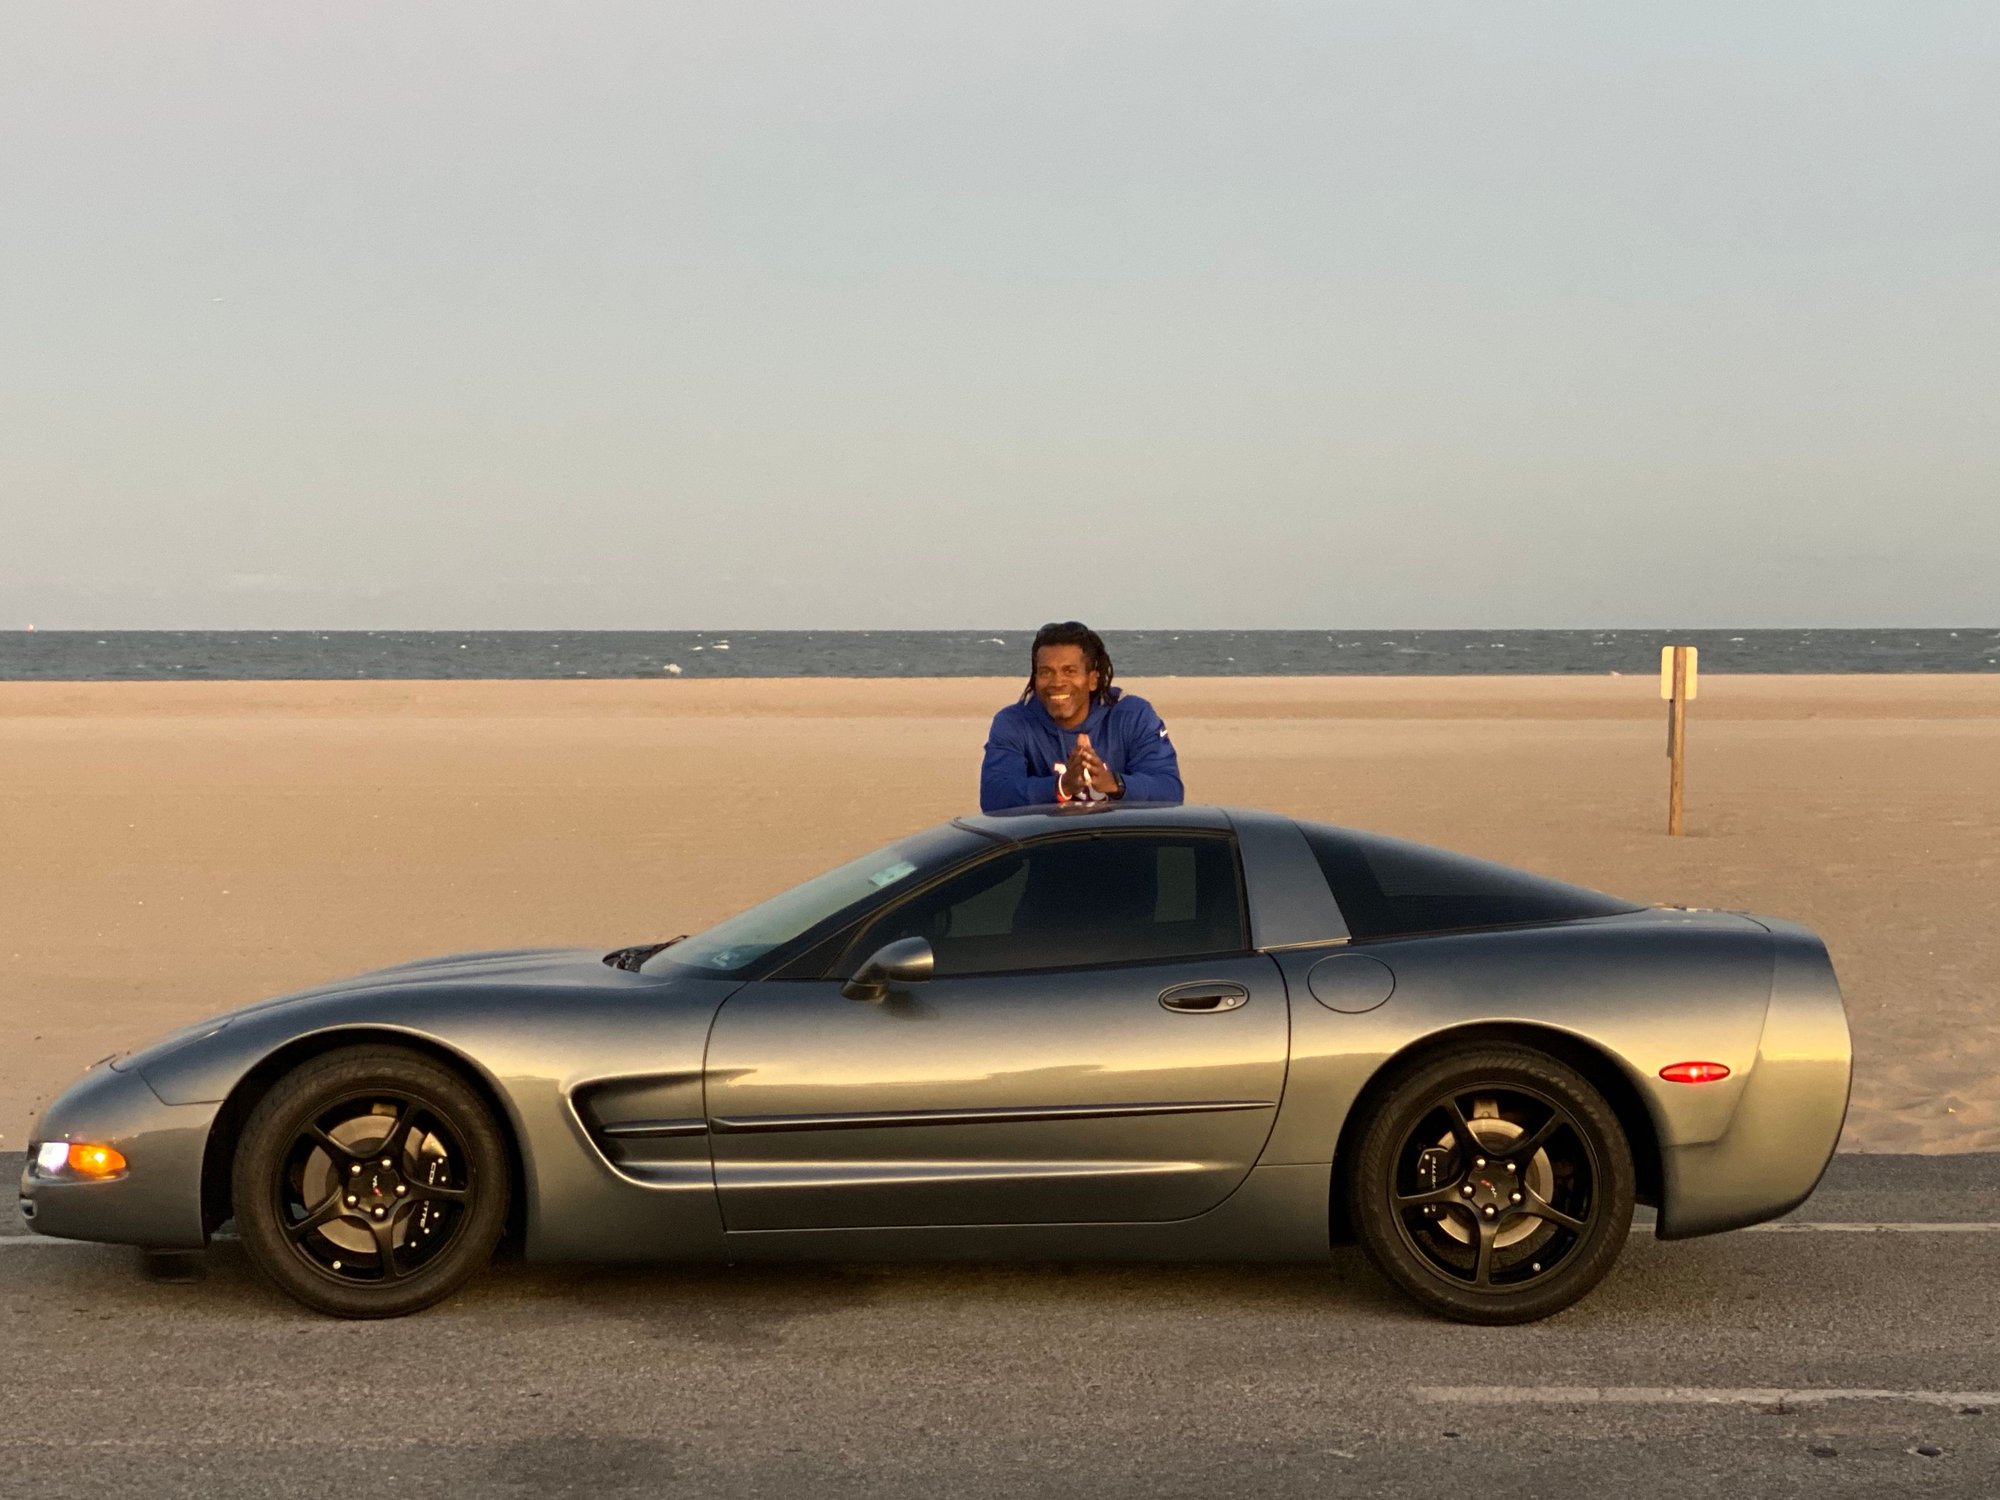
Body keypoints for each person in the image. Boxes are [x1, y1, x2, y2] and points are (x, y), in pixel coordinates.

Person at [979, 621, 1184, 812]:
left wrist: (1114, 783)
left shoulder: (1132, 715)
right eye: (1046, 672)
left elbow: (1170, 791)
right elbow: (994, 797)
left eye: (1069, 671)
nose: (1057, 682)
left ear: (1093, 679)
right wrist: (1063, 785)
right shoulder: (1013, 722)